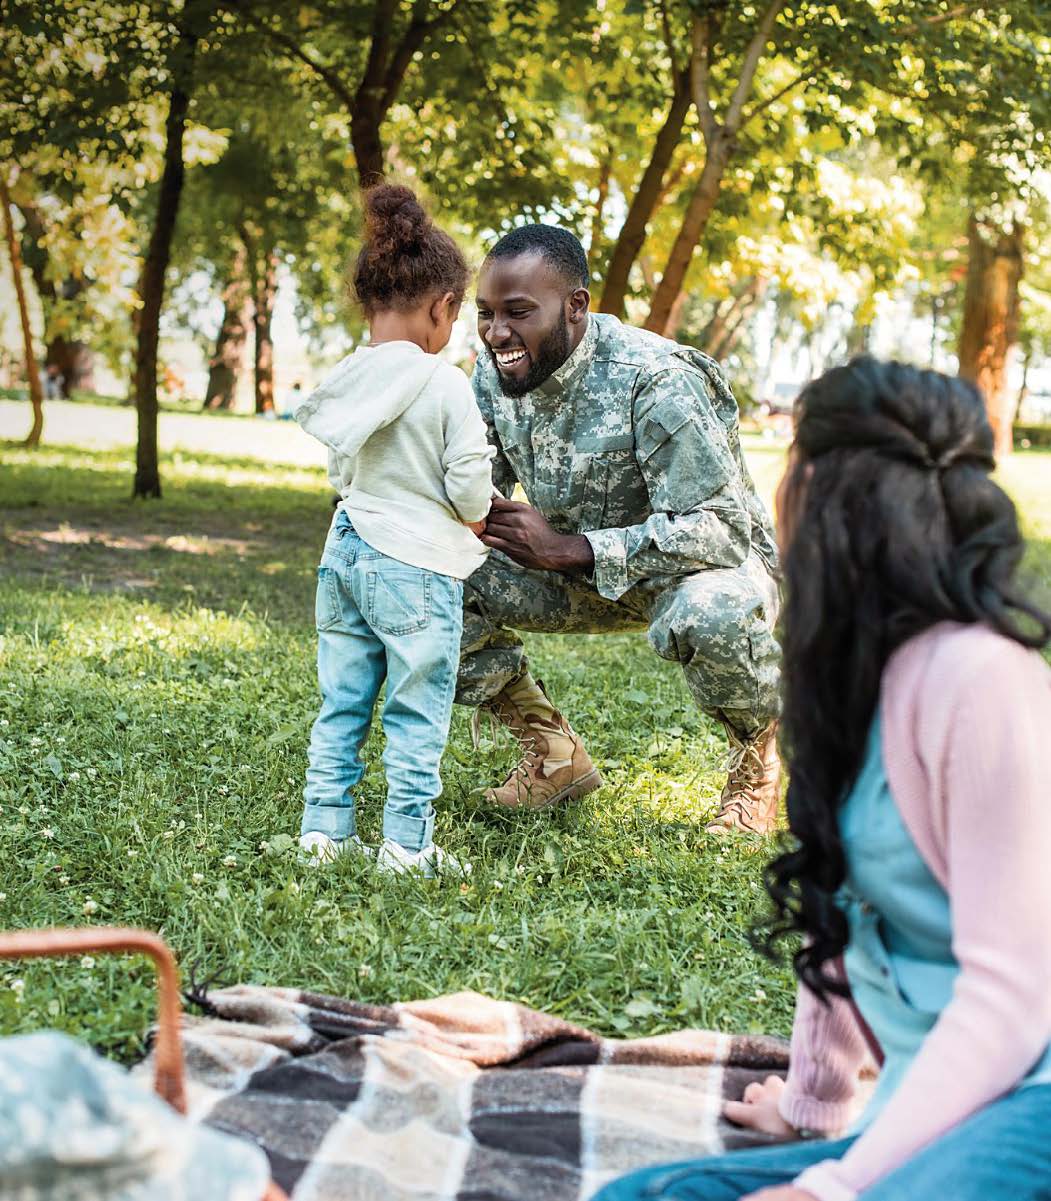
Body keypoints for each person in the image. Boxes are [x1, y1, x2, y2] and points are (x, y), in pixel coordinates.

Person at [592, 358, 1051, 1200]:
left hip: (1031, 1101)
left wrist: (829, 1187)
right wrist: (809, 1109)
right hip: (933, 1122)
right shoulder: (849, 678)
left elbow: (1017, 991)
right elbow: (840, 915)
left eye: (792, 455)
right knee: (641, 1196)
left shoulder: (983, 678)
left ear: (829, 492)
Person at [460, 225, 781, 831]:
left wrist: (570, 548)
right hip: (571, 569)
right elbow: (478, 490)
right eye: (486, 314)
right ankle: (554, 754)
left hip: (697, 572)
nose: (497, 332)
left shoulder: (656, 377)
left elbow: (721, 531)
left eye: (518, 313)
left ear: (575, 306)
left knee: (709, 614)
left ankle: (756, 761)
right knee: (417, 577)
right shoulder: (495, 373)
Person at [294, 183, 494, 876]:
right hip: (413, 565)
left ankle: (323, 832)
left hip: (343, 550)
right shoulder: (445, 385)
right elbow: (470, 480)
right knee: (415, 710)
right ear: (443, 308)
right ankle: (406, 847)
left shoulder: (348, 376)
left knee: (342, 700)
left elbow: (338, 467)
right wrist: (474, 514)